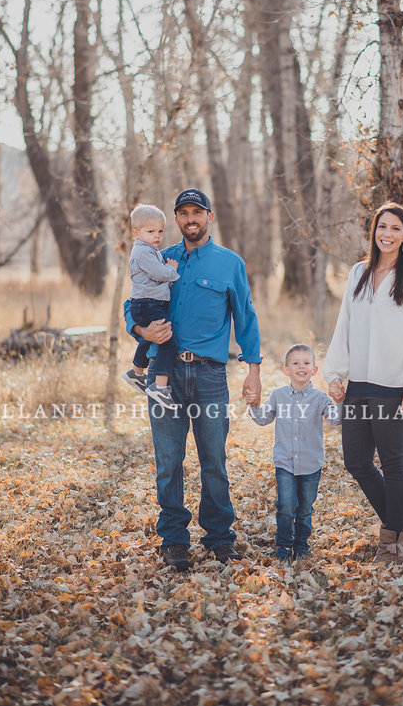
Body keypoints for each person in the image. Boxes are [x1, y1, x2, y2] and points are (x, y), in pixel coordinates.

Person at [124, 188, 262, 571]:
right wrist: (140, 329)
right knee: (168, 462)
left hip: (209, 375)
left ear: (209, 217)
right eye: (183, 213)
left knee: (213, 459)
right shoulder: (158, 257)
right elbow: (131, 302)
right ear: (176, 219)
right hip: (163, 374)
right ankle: (174, 541)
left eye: (196, 212)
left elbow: (246, 318)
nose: (190, 219)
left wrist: (254, 371)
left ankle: (219, 537)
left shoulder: (229, 263)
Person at [323, 202, 403, 565]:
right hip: (358, 385)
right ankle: (401, 528)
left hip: (392, 388)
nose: (387, 234)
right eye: (381, 227)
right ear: (375, 231)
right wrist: (335, 373)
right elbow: (344, 327)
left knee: (393, 463)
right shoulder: (357, 273)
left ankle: (391, 546)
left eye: (395, 229)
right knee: (356, 461)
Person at [248, 344, 341, 561]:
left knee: (305, 508)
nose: (301, 367)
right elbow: (264, 418)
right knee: (286, 506)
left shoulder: (320, 398)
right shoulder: (278, 395)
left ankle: (301, 545)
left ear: (315, 370)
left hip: (311, 463)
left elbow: (336, 419)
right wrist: (253, 406)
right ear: (286, 370)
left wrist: (340, 401)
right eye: (296, 363)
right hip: (285, 463)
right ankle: (284, 545)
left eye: (307, 363)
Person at [122, 203, 180, 409]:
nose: (157, 236)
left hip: (146, 303)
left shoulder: (149, 250)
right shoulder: (143, 253)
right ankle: (159, 386)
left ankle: (136, 372)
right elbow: (160, 274)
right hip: (147, 304)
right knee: (167, 342)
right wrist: (172, 269)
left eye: (160, 231)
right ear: (136, 233)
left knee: (148, 339)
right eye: (151, 231)